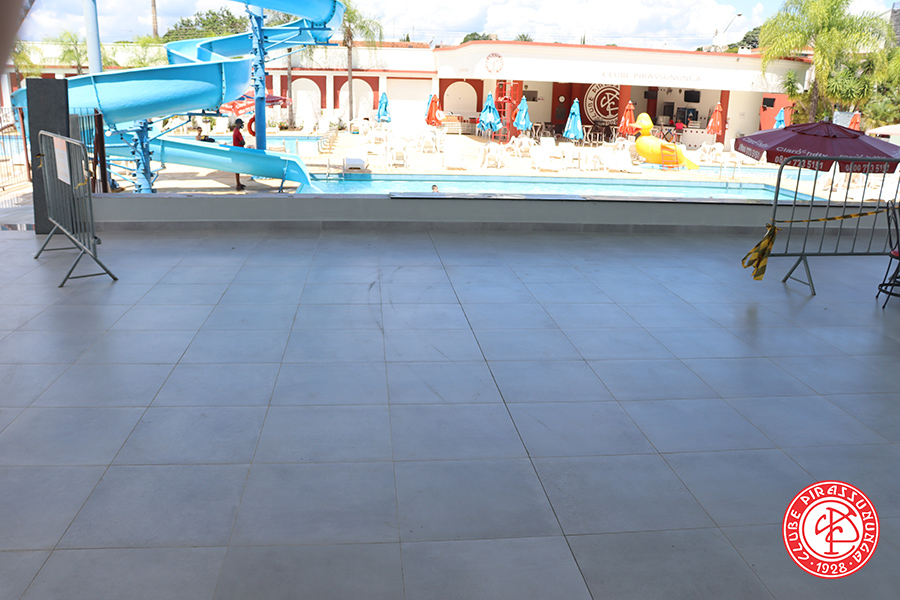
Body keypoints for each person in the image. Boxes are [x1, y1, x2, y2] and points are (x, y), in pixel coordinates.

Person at [232, 118, 246, 190]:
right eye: (241, 124)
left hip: (236, 151)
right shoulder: (238, 132)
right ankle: (238, 184)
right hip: (238, 152)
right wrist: (242, 142)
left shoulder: (234, 131)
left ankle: (238, 183)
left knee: (237, 168)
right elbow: (243, 142)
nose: (241, 125)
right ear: (238, 124)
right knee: (237, 168)